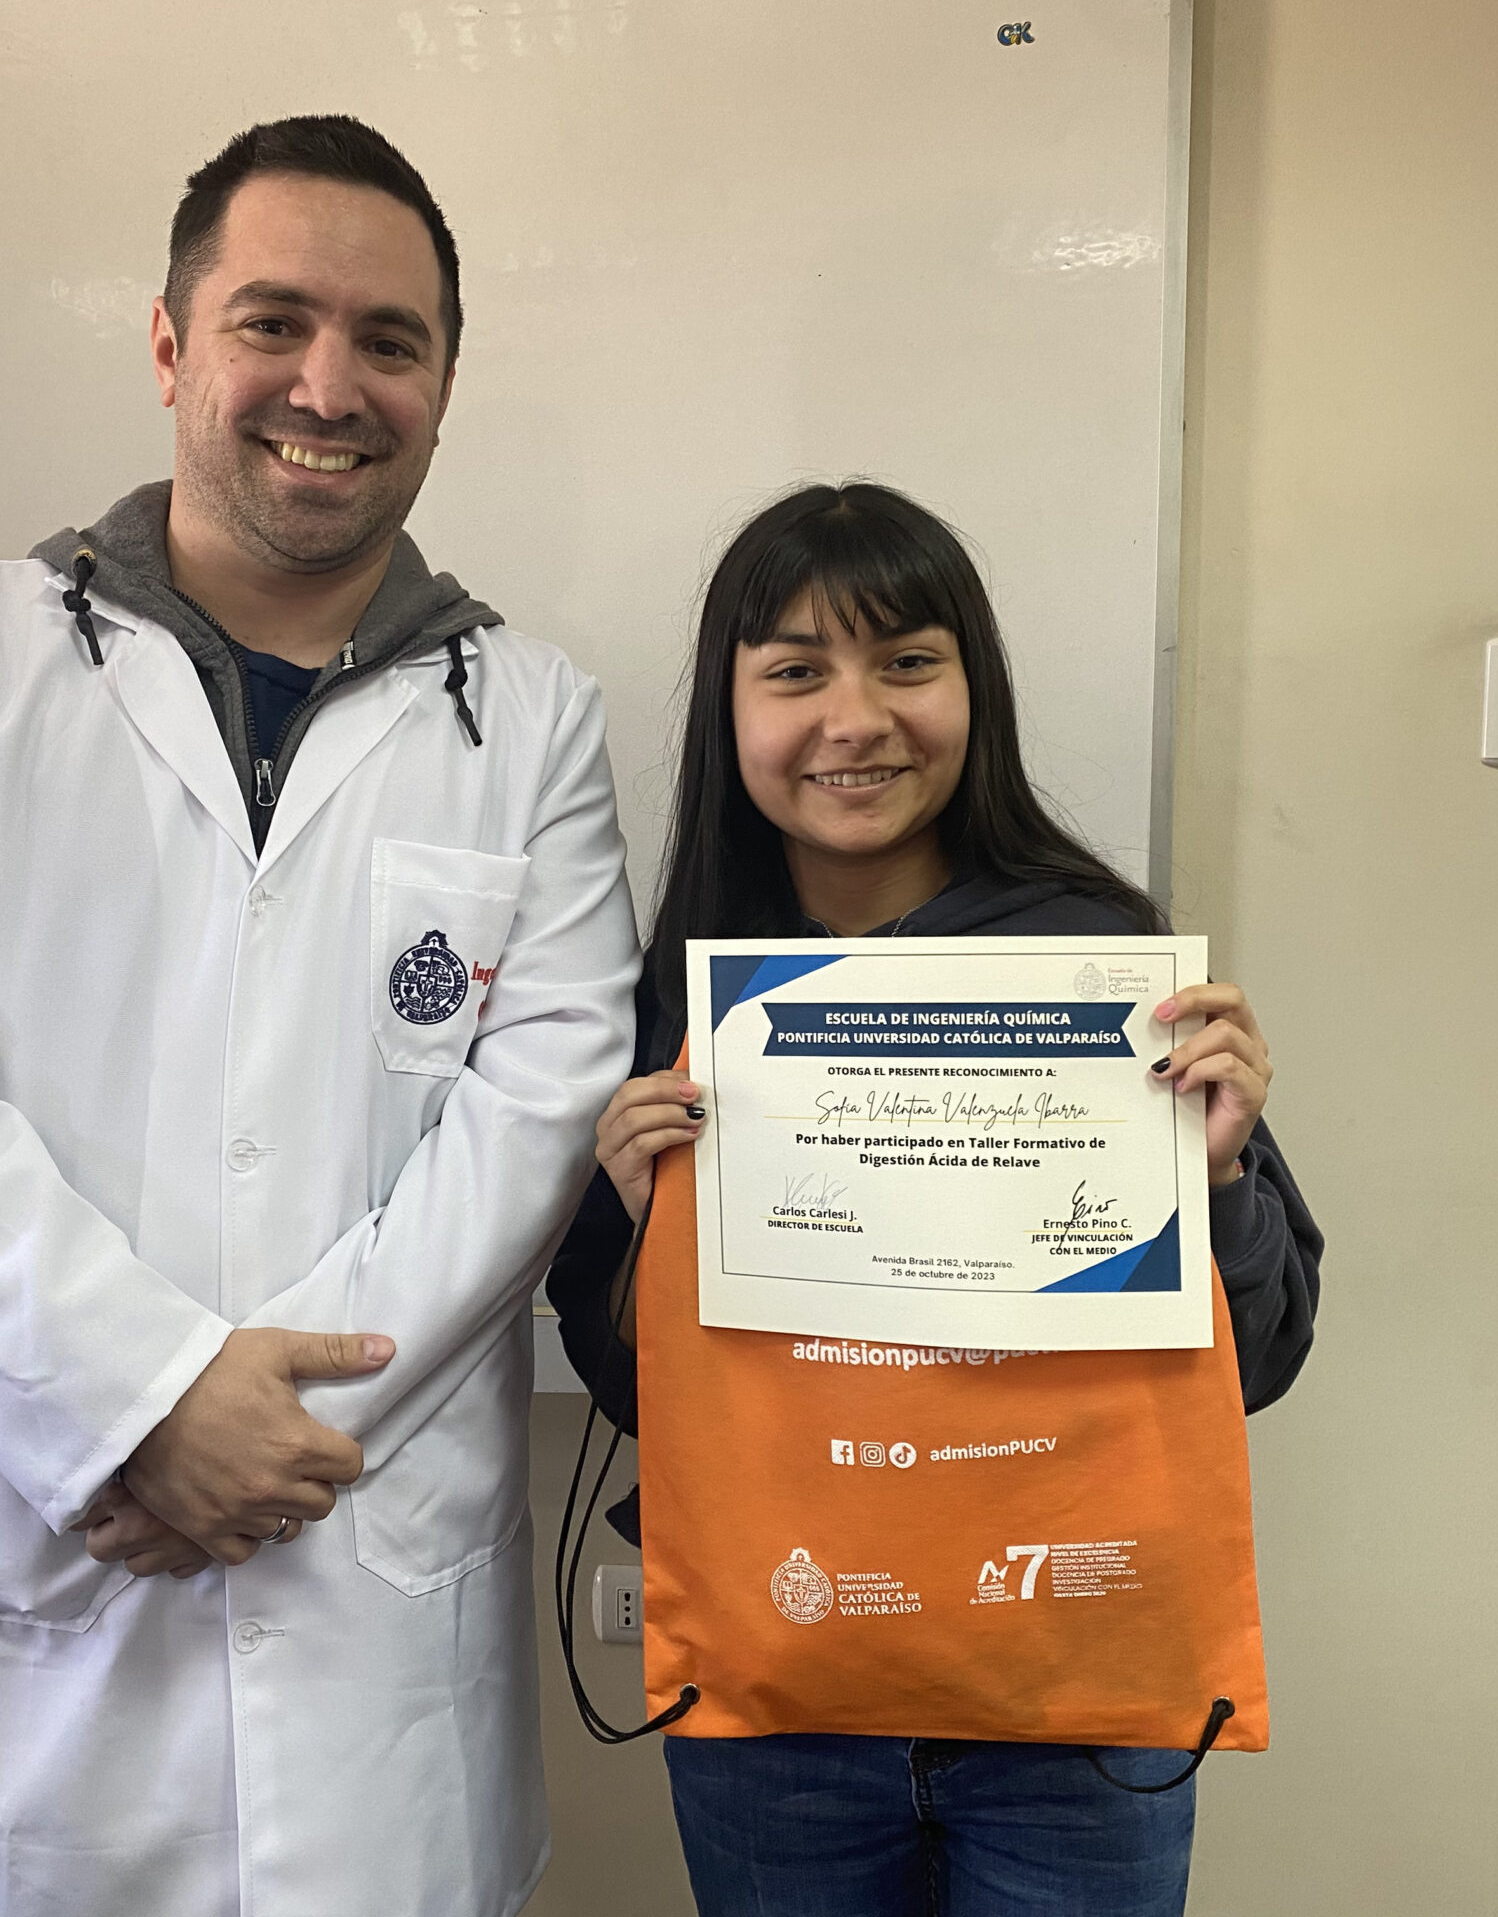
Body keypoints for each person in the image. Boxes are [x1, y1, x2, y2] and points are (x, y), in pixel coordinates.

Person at [0, 116, 638, 1917]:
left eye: (389, 340)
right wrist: (140, 1403)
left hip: (376, 1649)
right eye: (272, 322)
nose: (330, 385)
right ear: (170, 346)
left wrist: (257, 1434)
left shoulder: (532, 718)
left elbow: (536, 1118)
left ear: (443, 387)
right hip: (43, 1625)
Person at [547, 482, 1323, 1917]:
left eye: (907, 661)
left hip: (1074, 1698)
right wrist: (652, 1231)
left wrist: (1214, 1177)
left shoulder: (1101, 964)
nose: (855, 720)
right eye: (796, 672)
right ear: (731, 710)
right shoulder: (682, 996)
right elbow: (631, 1384)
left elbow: (1259, 1361)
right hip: (784, 1689)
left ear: (977, 690)